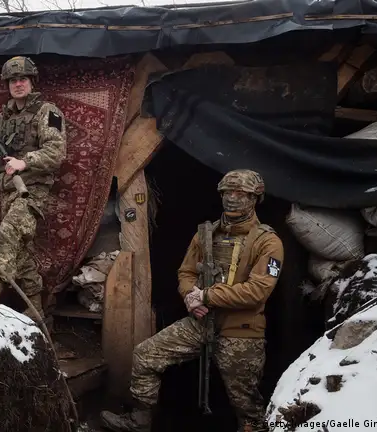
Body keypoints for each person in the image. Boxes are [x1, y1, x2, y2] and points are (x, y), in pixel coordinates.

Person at [99, 169, 284, 432]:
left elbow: (257, 291)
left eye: (240, 193)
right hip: (200, 323)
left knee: (246, 404)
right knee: (145, 355)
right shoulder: (206, 234)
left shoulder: (268, 242)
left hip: (241, 331)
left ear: (255, 198)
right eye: (227, 192)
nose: (232, 198)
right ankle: (139, 422)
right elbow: (186, 272)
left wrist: (206, 296)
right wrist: (190, 298)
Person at [0, 56, 67, 321]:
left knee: (9, 233)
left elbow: (56, 152)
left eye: (23, 79)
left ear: (32, 81)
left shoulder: (49, 113)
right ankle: (37, 308)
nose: (18, 84)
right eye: (13, 80)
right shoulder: (2, 118)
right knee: (20, 249)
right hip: (7, 190)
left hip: (33, 190)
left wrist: (25, 161)